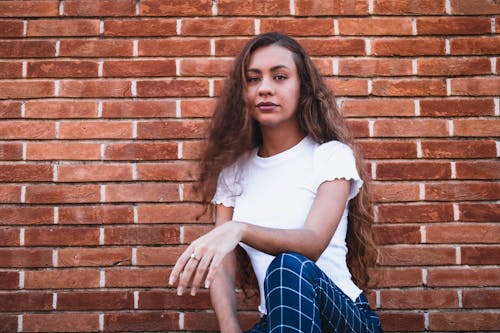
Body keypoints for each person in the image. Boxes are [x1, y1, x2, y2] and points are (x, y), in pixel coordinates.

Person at [169, 32, 383, 333]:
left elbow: (312, 243)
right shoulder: (234, 172)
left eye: (280, 77)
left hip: (343, 320)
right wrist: (230, 329)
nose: (265, 88)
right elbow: (224, 265)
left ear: (303, 88)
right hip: (281, 321)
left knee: (287, 267)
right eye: (253, 79)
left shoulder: (331, 156)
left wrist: (239, 228)